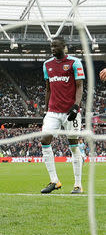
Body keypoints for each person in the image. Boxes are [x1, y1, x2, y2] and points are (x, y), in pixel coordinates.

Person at [40, 36, 85, 194]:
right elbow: (48, 89)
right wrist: (45, 111)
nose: (52, 48)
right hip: (53, 111)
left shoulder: (74, 62)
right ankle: (54, 181)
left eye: (56, 46)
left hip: (70, 112)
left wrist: (75, 106)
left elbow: (79, 86)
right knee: (44, 140)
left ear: (64, 47)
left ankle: (78, 184)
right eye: (51, 46)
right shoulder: (47, 65)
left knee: (73, 146)